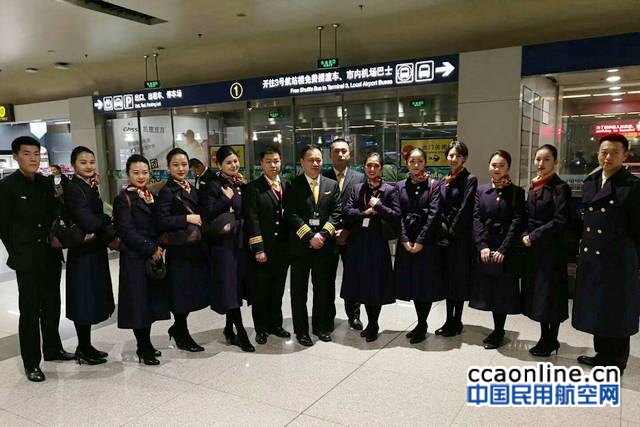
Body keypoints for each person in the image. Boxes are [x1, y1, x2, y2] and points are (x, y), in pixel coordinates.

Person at [0, 136, 74, 382]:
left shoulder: (45, 183)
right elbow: (3, 227)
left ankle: (52, 348)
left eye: (36, 154)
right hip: (27, 259)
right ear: (15, 156)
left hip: (49, 254)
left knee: (52, 304)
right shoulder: (6, 187)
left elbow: (56, 213)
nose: (33, 159)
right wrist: (18, 252)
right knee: (30, 310)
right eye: (26, 154)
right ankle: (31, 362)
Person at [573, 133, 640, 375]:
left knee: (618, 311)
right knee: (597, 308)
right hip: (593, 257)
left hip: (619, 259)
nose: (608, 157)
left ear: (625, 155)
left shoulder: (632, 186)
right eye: (604, 152)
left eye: (614, 153)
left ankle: (617, 362)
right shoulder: (591, 181)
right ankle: (601, 355)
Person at [113, 154, 170, 365]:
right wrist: (151, 248)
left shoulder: (151, 196)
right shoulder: (123, 199)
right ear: (128, 174)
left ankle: (147, 344)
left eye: (144, 172)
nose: (140, 176)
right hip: (134, 259)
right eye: (136, 172)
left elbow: (159, 223)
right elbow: (126, 231)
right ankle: (143, 347)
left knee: (150, 303)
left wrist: (160, 246)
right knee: (139, 305)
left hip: (152, 258)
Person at [285, 144, 341, 346]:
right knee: (299, 291)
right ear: (302, 162)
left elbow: (337, 213)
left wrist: (323, 235)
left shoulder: (331, 184)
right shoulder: (293, 185)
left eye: (318, 160)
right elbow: (290, 214)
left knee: (323, 289)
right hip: (301, 248)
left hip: (324, 247)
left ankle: (321, 327)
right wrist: (309, 236)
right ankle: (301, 331)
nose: (315, 163)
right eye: (311, 160)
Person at [200, 146, 255, 352]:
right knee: (230, 288)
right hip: (223, 245)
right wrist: (226, 199)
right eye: (229, 162)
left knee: (237, 287)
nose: (234, 165)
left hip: (240, 242)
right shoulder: (213, 185)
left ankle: (228, 329)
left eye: (235, 161)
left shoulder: (238, 183)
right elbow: (206, 213)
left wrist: (240, 190)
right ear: (219, 165)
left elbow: (245, 209)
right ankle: (240, 332)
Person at [64, 146, 115, 365]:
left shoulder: (90, 185)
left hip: (94, 250)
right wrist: (106, 219)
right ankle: (83, 348)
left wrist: (100, 220)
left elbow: (95, 218)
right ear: (74, 165)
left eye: (92, 162)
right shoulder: (74, 188)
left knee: (91, 297)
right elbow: (89, 222)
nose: (89, 166)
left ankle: (86, 346)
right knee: (83, 299)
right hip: (82, 254)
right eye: (83, 162)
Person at [341, 152, 400, 342]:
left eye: (376, 166)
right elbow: (347, 211)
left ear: (381, 168)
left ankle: (374, 324)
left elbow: (396, 216)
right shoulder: (358, 188)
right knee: (362, 285)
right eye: (369, 165)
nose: (372, 169)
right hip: (358, 242)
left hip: (377, 243)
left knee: (376, 285)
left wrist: (379, 206)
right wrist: (365, 213)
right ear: (364, 167)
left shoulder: (389, 190)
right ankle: (368, 322)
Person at [156, 148, 210, 352]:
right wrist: (187, 218)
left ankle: (178, 328)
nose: (181, 168)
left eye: (184, 164)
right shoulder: (167, 191)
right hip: (179, 249)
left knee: (191, 291)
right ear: (168, 167)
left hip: (194, 248)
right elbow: (161, 221)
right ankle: (182, 332)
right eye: (176, 165)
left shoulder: (191, 187)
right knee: (181, 293)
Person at [471, 150, 525, 349]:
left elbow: (517, 221)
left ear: (508, 167)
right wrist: (482, 245)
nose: (497, 169)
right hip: (486, 246)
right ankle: (495, 330)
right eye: (494, 165)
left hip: (505, 249)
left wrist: (503, 249)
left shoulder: (516, 192)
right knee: (489, 291)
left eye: (502, 165)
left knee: (502, 293)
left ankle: (499, 331)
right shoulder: (481, 190)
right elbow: (476, 218)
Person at [521, 144, 571, 357]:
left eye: (546, 159)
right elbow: (527, 215)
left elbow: (560, 220)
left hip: (552, 250)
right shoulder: (534, 186)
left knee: (552, 296)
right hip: (535, 251)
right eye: (538, 159)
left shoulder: (560, 187)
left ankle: (551, 339)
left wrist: (533, 236)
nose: (541, 164)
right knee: (540, 296)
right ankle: (545, 337)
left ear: (555, 162)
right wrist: (525, 233)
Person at [395, 147, 445, 344]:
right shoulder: (400, 185)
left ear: (425, 163)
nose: (416, 165)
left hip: (427, 243)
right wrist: (404, 238)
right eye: (412, 161)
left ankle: (423, 324)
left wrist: (421, 241)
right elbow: (398, 214)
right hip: (407, 240)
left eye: (420, 161)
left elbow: (434, 214)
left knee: (425, 285)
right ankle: (419, 323)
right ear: (407, 163)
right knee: (412, 284)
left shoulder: (434, 185)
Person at [244, 146, 291, 345]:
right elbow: (252, 220)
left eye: (276, 161)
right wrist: (258, 249)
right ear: (261, 164)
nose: (273, 165)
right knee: (261, 290)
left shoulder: (287, 185)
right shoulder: (253, 188)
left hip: (283, 249)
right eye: (268, 161)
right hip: (264, 249)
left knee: (278, 289)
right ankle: (261, 328)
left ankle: (276, 324)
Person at [323, 137, 366, 330]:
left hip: (352, 236)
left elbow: (363, 209)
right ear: (330, 155)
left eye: (344, 151)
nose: (340, 154)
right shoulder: (321, 176)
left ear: (350, 154)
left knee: (353, 277)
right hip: (327, 237)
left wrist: (348, 230)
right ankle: (328, 317)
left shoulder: (360, 178)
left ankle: (354, 316)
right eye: (336, 151)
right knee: (326, 279)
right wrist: (330, 230)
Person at [435, 140, 477, 337]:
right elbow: (439, 207)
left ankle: (457, 321)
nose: (454, 159)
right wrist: (442, 229)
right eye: (451, 155)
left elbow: (465, 209)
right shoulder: (445, 179)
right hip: (444, 236)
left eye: (458, 156)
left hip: (459, 238)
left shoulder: (470, 179)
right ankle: (448, 320)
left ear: (464, 158)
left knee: (458, 280)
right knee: (447, 280)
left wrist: (451, 232)